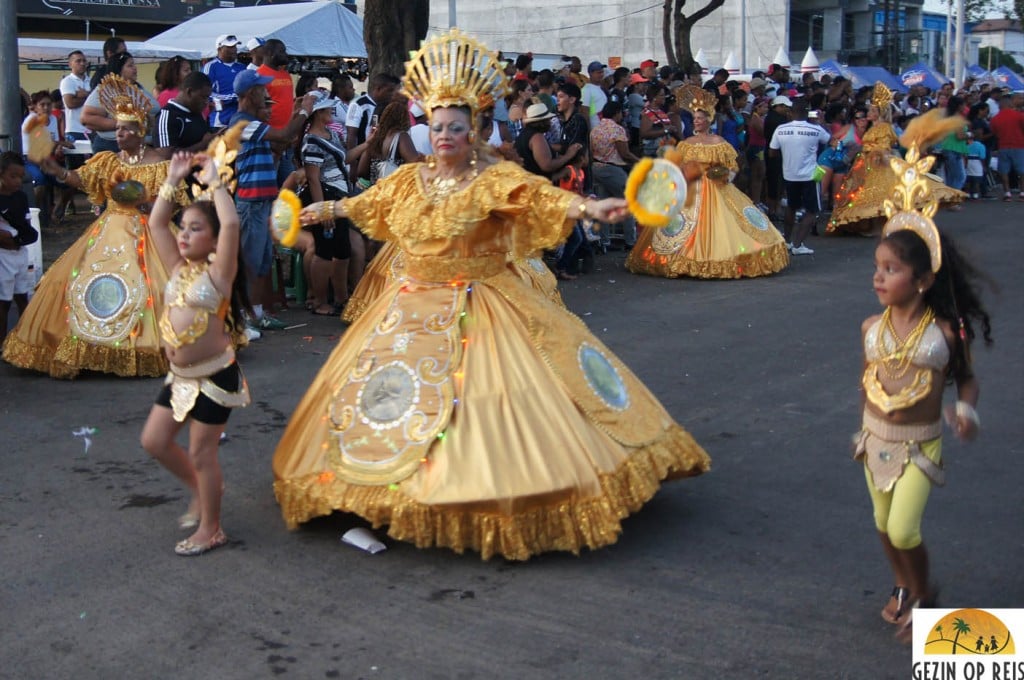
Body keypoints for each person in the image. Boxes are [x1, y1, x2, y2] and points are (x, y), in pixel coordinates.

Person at [272, 29, 710, 561]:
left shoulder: (490, 178)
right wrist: (311, 211)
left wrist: (591, 209)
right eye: (437, 128)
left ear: (474, 128)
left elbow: (538, 196)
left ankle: (476, 488)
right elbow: (363, 204)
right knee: (384, 398)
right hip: (406, 306)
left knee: (486, 402)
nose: (445, 137)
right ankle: (370, 496)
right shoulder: (411, 181)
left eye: (455, 127)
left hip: (482, 301)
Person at [855, 112, 992, 642]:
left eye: (891, 270)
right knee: (881, 526)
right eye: (877, 266)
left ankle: (928, 597)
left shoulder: (945, 333)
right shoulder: (870, 327)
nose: (879, 277)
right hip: (874, 440)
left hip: (919, 445)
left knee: (904, 527)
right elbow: (872, 377)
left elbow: (966, 381)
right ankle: (901, 586)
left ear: (924, 279)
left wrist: (966, 409)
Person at [3, 76, 189, 378]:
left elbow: (173, 203)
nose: (120, 134)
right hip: (109, 229)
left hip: (151, 234)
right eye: (117, 128)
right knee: (78, 283)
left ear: (141, 132)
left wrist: (145, 204)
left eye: (126, 129)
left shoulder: (160, 164)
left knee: (155, 287)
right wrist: (56, 170)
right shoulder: (106, 161)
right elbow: (81, 179)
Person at [141, 150, 252, 556]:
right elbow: (156, 222)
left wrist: (215, 180)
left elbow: (233, 222)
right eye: (183, 228)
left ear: (214, 240)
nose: (183, 235)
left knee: (202, 453)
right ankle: (202, 488)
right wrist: (173, 178)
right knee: (154, 441)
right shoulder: (176, 267)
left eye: (194, 229)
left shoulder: (218, 273)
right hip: (180, 376)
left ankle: (212, 528)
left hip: (215, 375)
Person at [627, 85, 789, 278]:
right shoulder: (686, 144)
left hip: (717, 187)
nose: (696, 122)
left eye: (700, 119)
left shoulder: (719, 142)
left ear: (708, 120)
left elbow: (733, 167)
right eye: (695, 119)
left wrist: (724, 176)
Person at [229, 70, 316, 333]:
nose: (266, 95)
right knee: (250, 262)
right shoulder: (243, 123)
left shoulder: (253, 124)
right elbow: (284, 135)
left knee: (262, 261)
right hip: (251, 203)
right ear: (249, 94)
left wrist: (295, 115)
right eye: (261, 91)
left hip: (261, 202)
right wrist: (304, 112)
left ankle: (255, 314)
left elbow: (283, 139)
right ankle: (242, 319)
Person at [829, 85, 964, 235]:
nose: (869, 112)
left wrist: (876, 154)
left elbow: (885, 146)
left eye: (873, 110)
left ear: (881, 113)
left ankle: (875, 226)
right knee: (864, 195)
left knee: (876, 195)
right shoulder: (872, 127)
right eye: (870, 110)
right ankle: (865, 225)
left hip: (876, 163)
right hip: (864, 163)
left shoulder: (885, 128)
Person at [300, 90, 353, 316]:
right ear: (318, 113)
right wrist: (322, 211)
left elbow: (346, 158)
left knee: (342, 250)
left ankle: (341, 298)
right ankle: (320, 300)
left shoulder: (331, 134)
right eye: (328, 108)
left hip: (340, 198)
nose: (332, 110)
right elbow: (313, 178)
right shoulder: (312, 142)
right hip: (325, 197)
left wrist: (370, 144)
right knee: (324, 251)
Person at [769, 99, 831, 254]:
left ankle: (788, 241)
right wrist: (820, 122)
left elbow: (772, 152)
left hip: (789, 175)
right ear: (807, 112)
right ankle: (798, 245)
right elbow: (830, 140)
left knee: (791, 207)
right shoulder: (816, 129)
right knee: (812, 210)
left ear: (791, 112)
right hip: (809, 176)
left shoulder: (780, 129)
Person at [81, 52, 159, 154]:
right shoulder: (107, 89)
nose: (135, 68)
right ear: (119, 69)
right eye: (130, 65)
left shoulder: (138, 88)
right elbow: (87, 118)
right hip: (115, 146)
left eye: (134, 65)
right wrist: (126, 125)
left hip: (145, 144)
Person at [0, 154, 37, 346]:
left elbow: (25, 223)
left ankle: (24, 340)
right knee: (3, 302)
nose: (17, 181)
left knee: (23, 296)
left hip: (20, 252)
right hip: (3, 255)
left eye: (20, 177)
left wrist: (22, 237)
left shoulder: (21, 197)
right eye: (12, 176)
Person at [155, 72, 214, 152]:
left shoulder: (196, 111)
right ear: (189, 92)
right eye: (204, 97)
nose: (206, 102)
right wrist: (203, 144)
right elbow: (166, 156)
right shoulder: (167, 115)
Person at [203, 35, 246, 130]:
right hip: (220, 121)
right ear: (219, 49)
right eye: (230, 47)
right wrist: (234, 97)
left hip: (241, 120)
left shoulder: (242, 67)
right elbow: (205, 92)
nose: (234, 50)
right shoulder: (211, 67)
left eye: (235, 47)